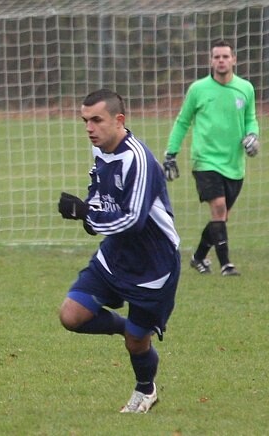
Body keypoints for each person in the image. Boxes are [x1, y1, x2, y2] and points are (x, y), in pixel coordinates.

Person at [57, 88, 180, 414]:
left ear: (119, 120)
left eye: (97, 120)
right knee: (71, 315)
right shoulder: (101, 151)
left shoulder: (138, 160)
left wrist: (86, 214)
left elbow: (133, 220)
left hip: (153, 265)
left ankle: (145, 389)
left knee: (137, 343)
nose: (89, 128)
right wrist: (87, 209)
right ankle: (129, 327)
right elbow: (100, 195)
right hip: (115, 255)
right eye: (85, 121)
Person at [163, 39, 259, 277]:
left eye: (225, 56)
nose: (221, 61)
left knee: (221, 216)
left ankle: (198, 257)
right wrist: (171, 153)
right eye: (217, 57)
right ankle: (226, 264)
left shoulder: (245, 88)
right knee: (218, 207)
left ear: (234, 59)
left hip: (234, 163)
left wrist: (252, 135)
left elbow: (250, 118)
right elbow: (182, 121)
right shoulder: (198, 89)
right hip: (205, 161)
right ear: (211, 61)